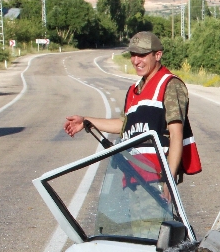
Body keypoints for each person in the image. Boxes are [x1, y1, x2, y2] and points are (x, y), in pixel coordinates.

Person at [63, 31, 201, 182]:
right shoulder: (134, 90)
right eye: (133, 55)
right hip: (133, 178)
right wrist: (86, 121)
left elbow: (176, 134)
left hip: (156, 180)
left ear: (158, 55)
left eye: (141, 55)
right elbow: (123, 125)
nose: (136, 61)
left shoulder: (170, 85)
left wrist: (169, 179)